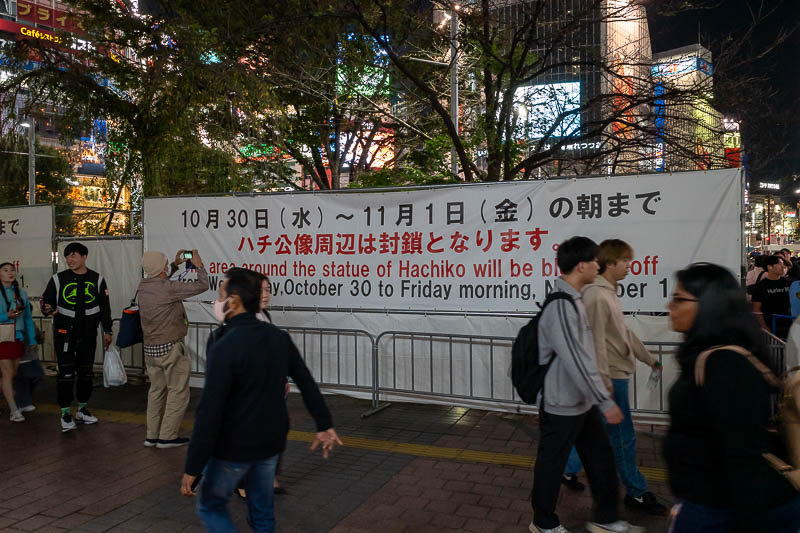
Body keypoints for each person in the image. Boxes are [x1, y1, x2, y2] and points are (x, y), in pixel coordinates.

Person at [181, 268, 342, 532]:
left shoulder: (223, 344)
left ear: (234, 301)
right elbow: (306, 382)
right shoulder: (278, 337)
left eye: (222, 294)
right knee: (262, 513)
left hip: (233, 448)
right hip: (269, 445)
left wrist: (193, 467)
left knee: (210, 505)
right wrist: (324, 424)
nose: (218, 301)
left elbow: (209, 412)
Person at [664, 262, 800, 532]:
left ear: (709, 306)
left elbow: (743, 456)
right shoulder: (708, 355)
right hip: (707, 502)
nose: (671, 306)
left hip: (724, 510)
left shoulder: (725, 363)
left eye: (679, 299)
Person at [529, 236, 643, 533]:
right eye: (594, 261)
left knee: (600, 460)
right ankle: (543, 522)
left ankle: (606, 519)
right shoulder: (562, 306)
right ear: (581, 266)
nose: (598, 264)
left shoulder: (577, 299)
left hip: (580, 400)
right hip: (561, 403)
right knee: (551, 465)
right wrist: (605, 401)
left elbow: (585, 354)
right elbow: (576, 359)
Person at [139, 249, 209, 449]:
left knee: (156, 391)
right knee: (177, 391)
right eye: (166, 263)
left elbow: (159, 281)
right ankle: (167, 437)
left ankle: (151, 436)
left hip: (150, 350)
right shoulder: (168, 288)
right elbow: (202, 285)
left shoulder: (143, 287)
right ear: (162, 268)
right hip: (170, 348)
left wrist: (176, 265)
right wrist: (199, 265)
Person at [41, 242, 113, 432]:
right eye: (67, 256)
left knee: (86, 373)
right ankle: (65, 413)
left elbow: (105, 307)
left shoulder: (97, 279)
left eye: (73, 255)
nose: (69, 260)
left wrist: (108, 330)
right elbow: (45, 301)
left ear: (84, 257)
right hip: (64, 334)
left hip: (88, 334)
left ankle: (82, 409)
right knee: (65, 373)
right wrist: (48, 308)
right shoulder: (58, 279)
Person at [0, 262, 36, 422]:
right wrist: (6, 316)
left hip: (18, 337)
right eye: (5, 270)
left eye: (12, 270)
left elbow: (28, 318)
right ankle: (14, 410)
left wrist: (32, 338)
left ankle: (10, 399)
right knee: (8, 373)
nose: (10, 273)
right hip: (2, 337)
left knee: (12, 373)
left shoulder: (21, 293)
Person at [751, 254, 792, 337]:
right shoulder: (761, 286)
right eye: (779, 264)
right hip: (771, 326)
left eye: (783, 264)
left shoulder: (787, 283)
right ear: (770, 267)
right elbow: (756, 308)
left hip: (788, 324)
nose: (783, 266)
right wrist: (764, 327)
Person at [14, 302, 44, 414]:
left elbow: (39, 338)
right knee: (23, 380)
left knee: (34, 377)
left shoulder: (31, 324)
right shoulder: (17, 324)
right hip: (21, 358)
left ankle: (24, 400)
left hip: (31, 357)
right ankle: (22, 402)